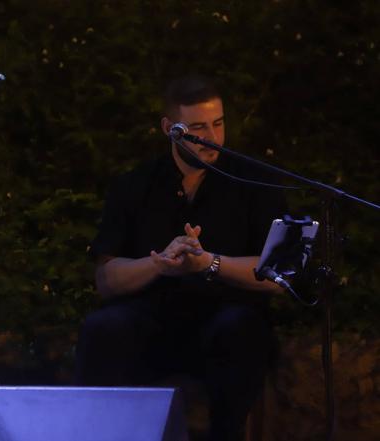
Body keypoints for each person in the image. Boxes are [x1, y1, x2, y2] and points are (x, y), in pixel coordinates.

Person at [75, 75, 287, 441]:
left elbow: (278, 276)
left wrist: (210, 263)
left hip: (226, 318)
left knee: (241, 331)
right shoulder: (135, 185)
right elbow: (107, 279)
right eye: (198, 128)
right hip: (153, 320)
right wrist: (157, 264)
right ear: (169, 129)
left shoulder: (257, 182)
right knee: (103, 330)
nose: (212, 138)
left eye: (218, 124)